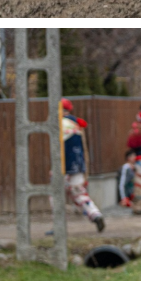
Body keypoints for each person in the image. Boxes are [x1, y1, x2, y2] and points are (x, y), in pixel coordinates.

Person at [59, 98, 105, 232]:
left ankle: (59, 225)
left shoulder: (61, 124)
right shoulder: (76, 124)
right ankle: (95, 214)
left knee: (55, 194)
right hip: (78, 166)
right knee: (80, 193)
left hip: (63, 166)